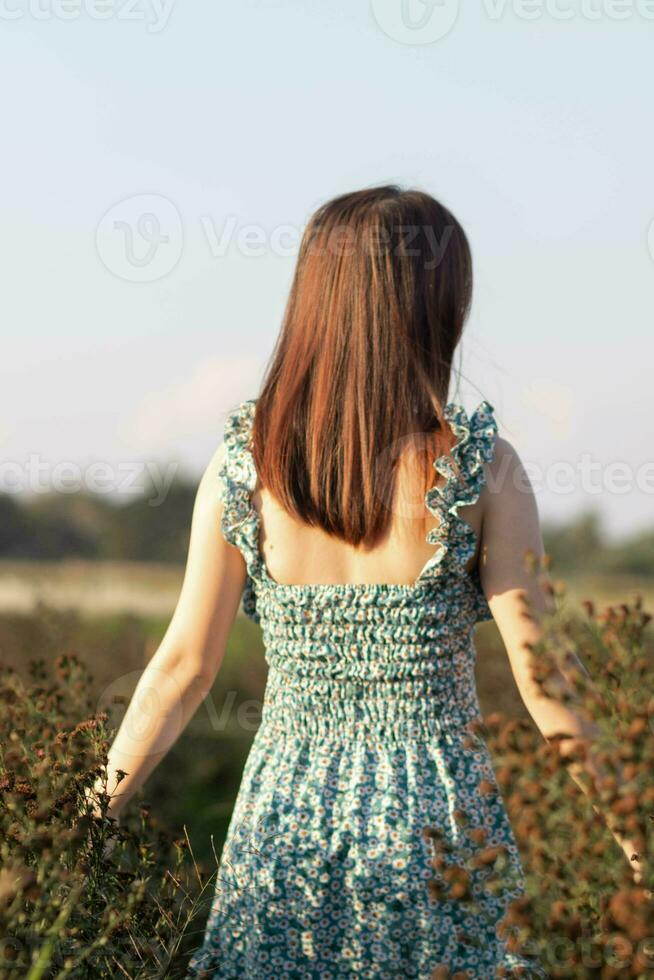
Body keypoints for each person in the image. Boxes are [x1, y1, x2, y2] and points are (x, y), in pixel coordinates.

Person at [96, 186, 639, 978]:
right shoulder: (482, 470)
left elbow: (181, 670)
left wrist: (84, 819)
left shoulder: (242, 470)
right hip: (439, 833)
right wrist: (637, 840)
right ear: (438, 305)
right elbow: (546, 673)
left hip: (284, 827)